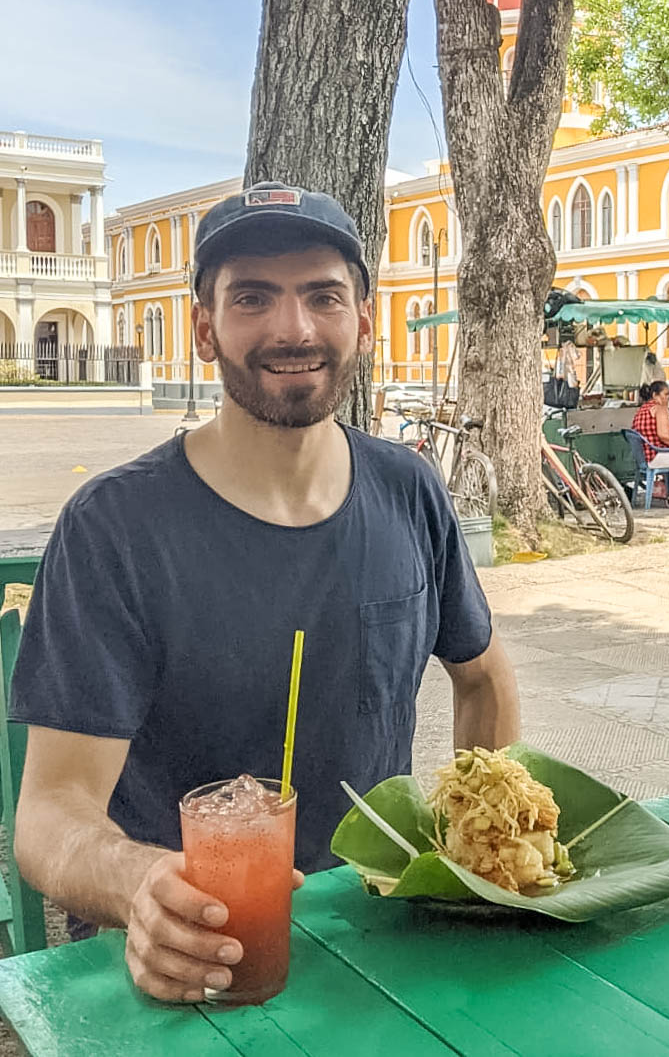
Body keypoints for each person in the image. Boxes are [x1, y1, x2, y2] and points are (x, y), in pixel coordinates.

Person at [10, 182, 519, 1004]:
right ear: (205, 330)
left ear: (363, 317)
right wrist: (143, 888)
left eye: (323, 295)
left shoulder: (408, 488)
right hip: (192, 958)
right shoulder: (116, 527)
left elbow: (482, 673)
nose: (294, 329)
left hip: (377, 933)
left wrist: (483, 843)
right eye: (253, 298)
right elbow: (52, 811)